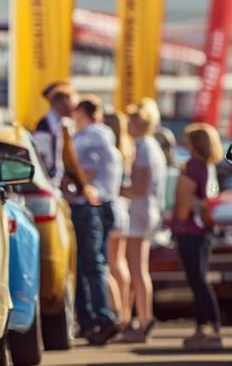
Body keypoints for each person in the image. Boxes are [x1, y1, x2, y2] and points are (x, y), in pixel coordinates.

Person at [70, 95, 123, 345]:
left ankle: (100, 318)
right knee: (94, 264)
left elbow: (86, 170)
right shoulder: (105, 134)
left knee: (90, 264)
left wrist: (69, 180)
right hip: (104, 204)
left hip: (89, 205)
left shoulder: (89, 136)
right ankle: (95, 319)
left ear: (83, 112)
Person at [172, 124, 225, 350]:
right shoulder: (208, 166)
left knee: (197, 280)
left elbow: (184, 200)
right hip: (203, 230)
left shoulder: (193, 165)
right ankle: (208, 326)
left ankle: (207, 326)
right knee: (200, 279)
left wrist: (179, 219)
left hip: (190, 230)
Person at [119, 99, 167, 342]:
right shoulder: (151, 146)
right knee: (138, 268)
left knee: (137, 269)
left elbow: (138, 187)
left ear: (139, 123)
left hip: (139, 212)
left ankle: (144, 319)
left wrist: (116, 189)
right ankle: (138, 318)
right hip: (145, 211)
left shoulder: (144, 147)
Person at [102, 107, 133, 333]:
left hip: (111, 207)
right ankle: (125, 312)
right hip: (123, 209)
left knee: (108, 264)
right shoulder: (127, 147)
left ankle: (117, 313)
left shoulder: (109, 149)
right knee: (119, 263)